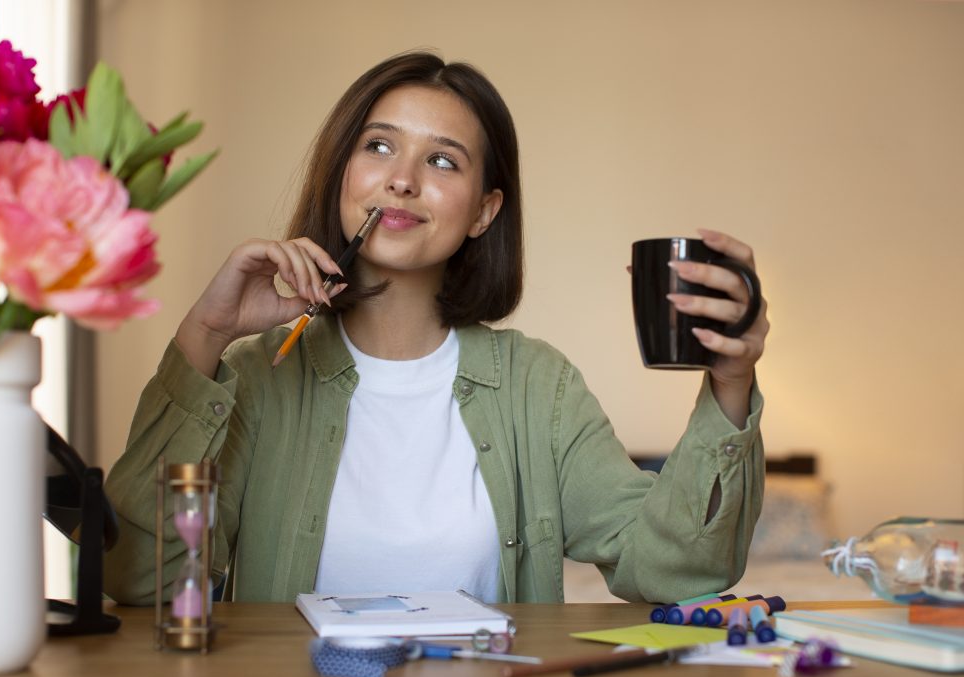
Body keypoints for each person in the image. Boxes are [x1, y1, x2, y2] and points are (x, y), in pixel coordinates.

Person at [103, 50, 768, 605]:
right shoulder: (255, 377)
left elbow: (672, 568)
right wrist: (206, 332)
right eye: (379, 146)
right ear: (342, 175)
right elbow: (139, 581)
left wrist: (732, 381)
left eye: (442, 161)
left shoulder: (540, 386)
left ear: (484, 211)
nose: (401, 180)